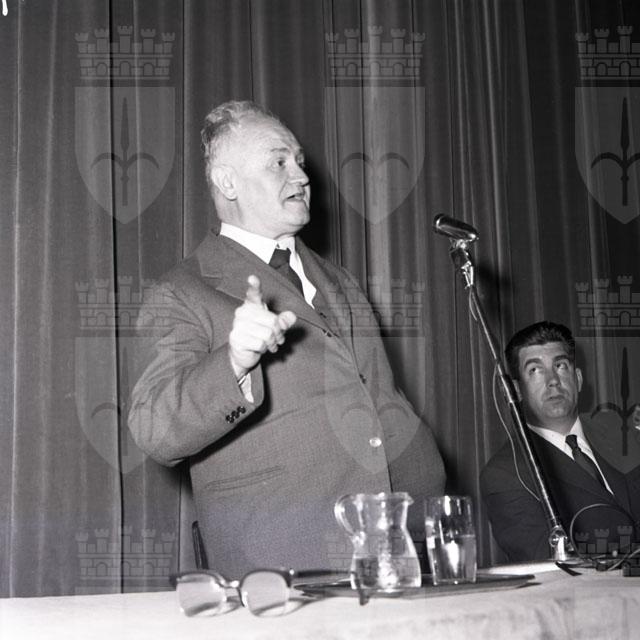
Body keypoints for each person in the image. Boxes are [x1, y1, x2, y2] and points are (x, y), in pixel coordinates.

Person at [128, 100, 445, 576]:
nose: (300, 176)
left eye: (299, 161)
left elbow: (379, 396)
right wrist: (234, 361)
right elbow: (154, 428)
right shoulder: (181, 291)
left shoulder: (339, 280)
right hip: (284, 564)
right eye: (278, 162)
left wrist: (425, 493)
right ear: (228, 182)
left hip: (397, 547)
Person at [481, 321, 640, 562]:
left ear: (578, 378)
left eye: (560, 365)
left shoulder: (622, 430)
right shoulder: (506, 474)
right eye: (535, 370)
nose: (553, 380)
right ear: (515, 391)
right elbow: (553, 566)